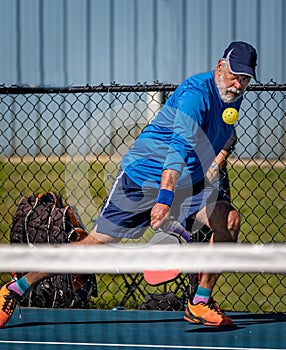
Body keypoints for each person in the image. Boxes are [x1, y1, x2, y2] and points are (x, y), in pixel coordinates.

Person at [0, 41, 257, 328]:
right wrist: (164, 198)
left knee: (229, 221)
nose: (238, 83)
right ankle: (16, 288)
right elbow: (178, 148)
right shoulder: (196, 94)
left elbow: (216, 139)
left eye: (245, 79)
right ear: (220, 66)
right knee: (92, 246)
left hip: (188, 182)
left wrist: (207, 173)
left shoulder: (232, 96)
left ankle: (200, 302)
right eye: (234, 75)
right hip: (143, 177)